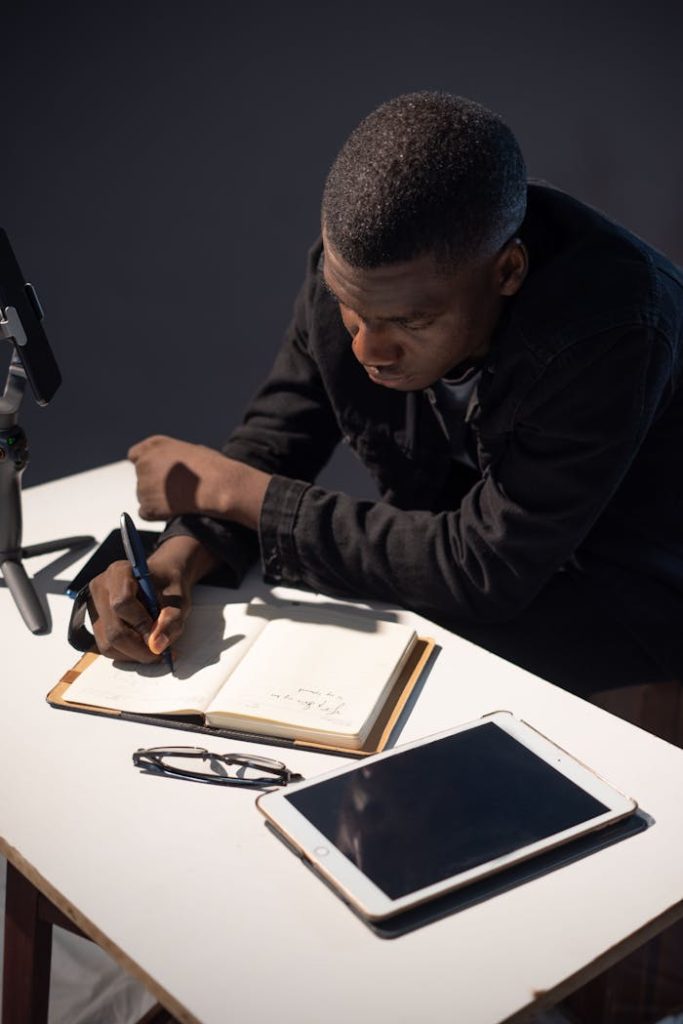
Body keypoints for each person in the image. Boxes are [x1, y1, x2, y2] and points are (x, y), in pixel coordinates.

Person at [88, 91, 683, 696]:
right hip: (473, 579)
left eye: (412, 322)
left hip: (632, 600)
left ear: (507, 271)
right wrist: (177, 560)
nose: (367, 349)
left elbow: (485, 567)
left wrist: (235, 492)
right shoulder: (364, 273)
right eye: (350, 304)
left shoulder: (609, 329)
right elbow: (276, 437)